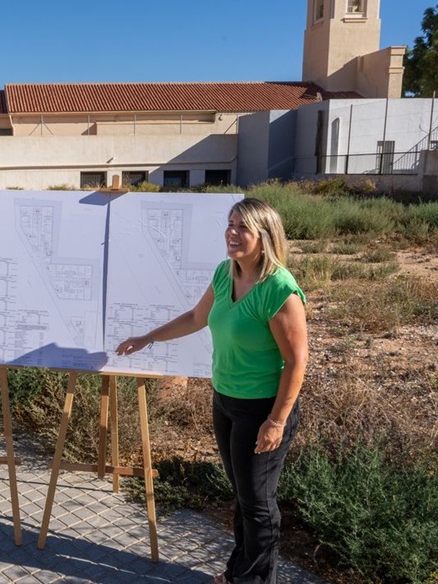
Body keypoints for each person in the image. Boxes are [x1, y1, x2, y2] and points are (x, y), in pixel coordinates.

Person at [116, 198, 307, 584]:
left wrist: (276, 421)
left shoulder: (279, 289)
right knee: (244, 496)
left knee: (258, 504)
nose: (232, 233)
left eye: (243, 227)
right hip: (226, 401)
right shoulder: (225, 273)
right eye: (230, 224)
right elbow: (196, 317)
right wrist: (149, 337)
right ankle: (239, 571)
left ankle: (254, 580)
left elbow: (296, 361)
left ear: (264, 236)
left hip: (263, 410)